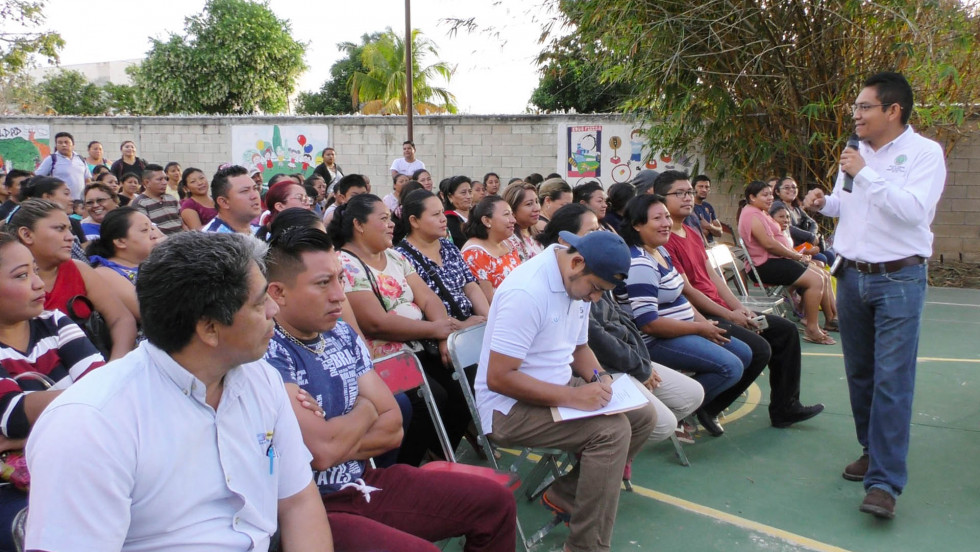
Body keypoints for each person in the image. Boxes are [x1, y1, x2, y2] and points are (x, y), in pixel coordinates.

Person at [24, 232, 334, 550]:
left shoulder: (260, 378)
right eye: (258, 302)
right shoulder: (91, 424)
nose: (273, 309)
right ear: (209, 329)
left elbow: (298, 503)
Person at [263, 227, 516, 551]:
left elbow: (392, 428)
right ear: (278, 293)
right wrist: (367, 410)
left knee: (495, 503)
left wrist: (338, 434)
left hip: (360, 482)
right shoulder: (271, 349)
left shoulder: (341, 333)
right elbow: (325, 453)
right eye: (323, 283)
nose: (340, 294)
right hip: (305, 506)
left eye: (340, 279)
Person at [803, 71, 945, 519]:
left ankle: (884, 482)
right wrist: (825, 203)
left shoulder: (924, 154)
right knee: (861, 373)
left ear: (893, 111)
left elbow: (912, 213)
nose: (856, 116)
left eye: (864, 108)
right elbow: (851, 206)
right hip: (853, 276)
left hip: (899, 279)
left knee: (892, 379)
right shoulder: (856, 153)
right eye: (856, 109)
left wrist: (864, 175)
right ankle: (871, 450)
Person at [475, 228, 657, 552]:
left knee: (643, 414)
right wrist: (573, 396)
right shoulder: (528, 292)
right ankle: (585, 546)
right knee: (612, 433)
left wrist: (601, 378)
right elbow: (499, 379)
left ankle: (567, 494)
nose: (596, 298)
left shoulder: (577, 283)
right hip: (507, 407)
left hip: (553, 387)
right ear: (576, 262)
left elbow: (579, 349)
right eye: (597, 289)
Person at [658, 174, 825, 428]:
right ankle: (707, 407)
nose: (688, 197)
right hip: (702, 315)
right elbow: (688, 291)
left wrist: (738, 307)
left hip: (723, 309)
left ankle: (785, 408)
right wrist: (727, 316)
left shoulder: (691, 233)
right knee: (759, 349)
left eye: (690, 192)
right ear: (661, 200)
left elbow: (713, 277)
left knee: (785, 331)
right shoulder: (664, 240)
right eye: (679, 193)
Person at [537, 203, 704, 446]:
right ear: (567, 242)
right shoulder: (570, 281)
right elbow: (594, 340)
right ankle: (610, 453)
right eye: (591, 232)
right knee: (661, 423)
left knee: (692, 394)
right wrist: (638, 368)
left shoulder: (596, 268)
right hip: (603, 365)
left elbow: (621, 319)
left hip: (620, 361)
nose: (601, 236)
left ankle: (618, 450)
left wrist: (642, 362)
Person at [329, 194, 467, 466]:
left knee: (461, 385)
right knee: (430, 399)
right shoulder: (345, 263)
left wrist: (442, 337)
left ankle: (437, 458)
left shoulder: (394, 256)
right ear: (359, 225)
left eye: (391, 218)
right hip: (385, 355)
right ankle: (405, 466)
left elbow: (428, 298)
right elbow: (374, 322)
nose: (392, 224)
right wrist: (433, 330)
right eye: (383, 219)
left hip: (419, 344)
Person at [0, 232, 106, 550]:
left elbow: (106, 393)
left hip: (81, 464)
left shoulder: (55, 322)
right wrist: (88, 405)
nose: (38, 284)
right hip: (15, 487)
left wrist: (17, 438)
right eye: (21, 275)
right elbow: (15, 415)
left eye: (34, 270)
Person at [618, 194, 752, 436]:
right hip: (655, 341)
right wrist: (700, 329)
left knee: (744, 352)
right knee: (730, 367)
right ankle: (678, 410)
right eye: (657, 218)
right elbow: (649, 324)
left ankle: (694, 405)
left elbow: (680, 297)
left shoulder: (660, 251)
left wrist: (706, 324)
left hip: (683, 329)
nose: (666, 223)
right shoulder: (640, 263)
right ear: (637, 225)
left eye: (666, 217)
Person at [9, 199, 138, 361]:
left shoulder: (78, 269)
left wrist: (114, 366)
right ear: (27, 234)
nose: (70, 237)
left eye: (70, 229)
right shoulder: (8, 285)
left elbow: (121, 319)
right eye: (59, 229)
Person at [738, 180, 836, 344]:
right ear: (752, 197)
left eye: (770, 194)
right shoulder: (751, 214)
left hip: (778, 260)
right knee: (815, 280)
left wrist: (794, 254)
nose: (770, 198)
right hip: (765, 265)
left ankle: (829, 318)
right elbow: (769, 244)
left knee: (821, 274)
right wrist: (796, 256)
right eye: (765, 195)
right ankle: (812, 328)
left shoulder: (760, 211)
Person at [396, 189, 489, 325]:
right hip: (440, 333)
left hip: (472, 326)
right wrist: (462, 326)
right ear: (414, 221)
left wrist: (487, 319)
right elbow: (419, 310)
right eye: (435, 214)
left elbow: (470, 285)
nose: (443, 219)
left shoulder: (448, 246)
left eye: (442, 212)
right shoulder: (402, 258)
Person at [86, 207, 160, 322]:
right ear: (120, 241)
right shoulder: (106, 274)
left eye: (152, 228)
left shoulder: (154, 262)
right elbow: (150, 313)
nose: (154, 235)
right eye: (145, 230)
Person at [461, 196, 521, 304]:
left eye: (511, 214)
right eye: (506, 214)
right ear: (487, 220)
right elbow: (489, 303)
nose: (513, 220)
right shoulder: (474, 254)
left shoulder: (508, 242)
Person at [773, 176, 835, 265]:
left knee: (830, 255)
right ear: (777, 192)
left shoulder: (796, 207)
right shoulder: (777, 205)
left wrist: (812, 236)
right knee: (822, 258)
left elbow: (813, 223)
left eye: (794, 187)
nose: (791, 190)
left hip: (806, 245)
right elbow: (788, 228)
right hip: (791, 248)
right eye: (787, 187)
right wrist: (810, 237)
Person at [203, 165, 262, 234]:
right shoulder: (210, 240)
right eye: (245, 191)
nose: (255, 196)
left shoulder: (262, 233)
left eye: (255, 188)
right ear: (224, 202)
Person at [35, 132, 90, 200]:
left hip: (80, 202)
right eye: (60, 143)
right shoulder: (51, 159)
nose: (63, 145)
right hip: (60, 201)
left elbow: (87, 180)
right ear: (56, 145)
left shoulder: (81, 159)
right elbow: (37, 177)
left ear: (73, 144)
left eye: (66, 142)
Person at [131, 164, 182, 236]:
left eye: (165, 179)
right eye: (160, 179)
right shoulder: (140, 203)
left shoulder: (171, 199)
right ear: (147, 182)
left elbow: (183, 223)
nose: (165, 182)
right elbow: (147, 230)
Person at [501, 182, 542, 261]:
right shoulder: (508, 242)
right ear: (512, 210)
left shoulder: (537, 235)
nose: (537, 208)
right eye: (529, 204)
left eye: (537, 202)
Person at [688, 174, 722, 244]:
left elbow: (720, 232)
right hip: (697, 246)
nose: (704, 190)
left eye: (707, 187)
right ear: (693, 188)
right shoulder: (689, 207)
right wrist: (712, 229)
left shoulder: (708, 206)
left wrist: (709, 226)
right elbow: (702, 233)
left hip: (711, 245)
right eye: (700, 187)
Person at [441, 175, 474, 245]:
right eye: (463, 193)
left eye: (470, 192)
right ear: (450, 197)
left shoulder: (477, 215)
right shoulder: (448, 220)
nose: (468, 196)